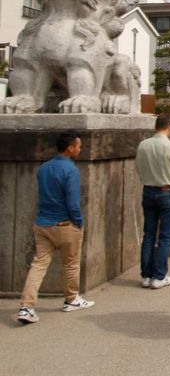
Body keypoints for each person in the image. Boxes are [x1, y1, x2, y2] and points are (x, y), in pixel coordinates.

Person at [17, 131, 95, 324]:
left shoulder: (44, 168)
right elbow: (73, 203)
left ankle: (26, 306)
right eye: (78, 146)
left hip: (43, 224)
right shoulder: (71, 170)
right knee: (71, 264)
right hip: (65, 224)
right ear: (70, 148)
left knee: (38, 265)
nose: (80, 149)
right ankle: (71, 299)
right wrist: (79, 222)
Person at [135, 113, 170, 289]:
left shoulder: (143, 145)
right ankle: (159, 275)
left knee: (148, 233)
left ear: (155, 126)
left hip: (148, 189)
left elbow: (138, 168)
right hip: (166, 190)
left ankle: (146, 275)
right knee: (165, 235)